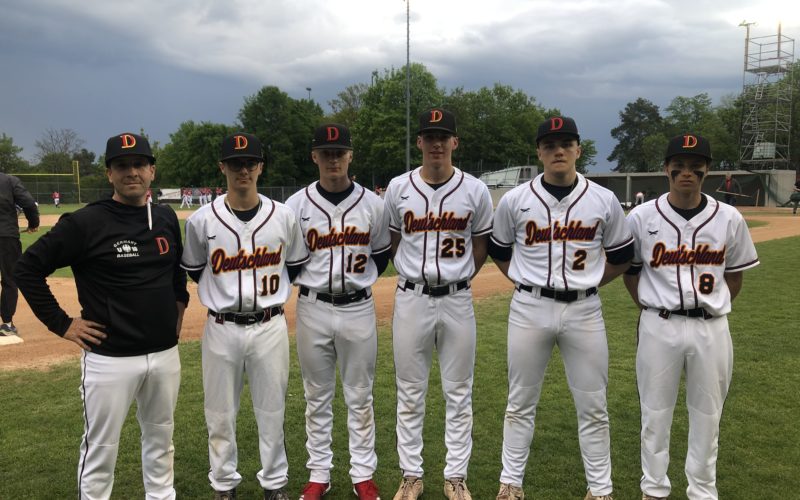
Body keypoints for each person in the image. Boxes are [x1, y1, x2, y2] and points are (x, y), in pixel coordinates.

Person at [14, 132, 188, 499]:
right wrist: (62, 324)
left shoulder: (165, 217)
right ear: (109, 173)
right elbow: (27, 268)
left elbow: (175, 272)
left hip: (164, 354)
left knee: (161, 440)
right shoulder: (85, 223)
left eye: (139, 164)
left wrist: (179, 305)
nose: (131, 172)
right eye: (121, 165)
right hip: (110, 358)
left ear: (152, 171)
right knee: (101, 449)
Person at [488, 116, 633, 500]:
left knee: (593, 404)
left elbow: (621, 257)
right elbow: (499, 251)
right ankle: (510, 484)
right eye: (550, 145)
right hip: (529, 307)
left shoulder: (602, 199)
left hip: (584, 310)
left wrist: (591, 282)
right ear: (539, 152)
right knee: (520, 401)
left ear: (578, 150)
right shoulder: (516, 200)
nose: (559, 151)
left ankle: (600, 489)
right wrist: (524, 281)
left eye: (566, 144)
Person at [623, 134, 759, 500]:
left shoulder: (728, 217)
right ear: (666, 169)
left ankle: (702, 491)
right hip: (659, 324)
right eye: (679, 165)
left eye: (695, 166)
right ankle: (654, 489)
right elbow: (631, 273)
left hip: (711, 328)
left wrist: (711, 305)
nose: (687, 172)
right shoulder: (641, 217)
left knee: (708, 415)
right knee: (654, 413)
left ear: (707, 170)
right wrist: (652, 308)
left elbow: (735, 276)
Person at [181, 133, 309, 500]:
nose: (243, 170)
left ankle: (275, 484)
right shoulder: (201, 220)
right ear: (222, 167)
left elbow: (294, 266)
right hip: (221, 326)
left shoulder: (283, 216)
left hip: (270, 324)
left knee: (272, 410)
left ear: (260, 167)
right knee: (219, 413)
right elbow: (196, 270)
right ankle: (224, 485)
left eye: (250, 162)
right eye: (236, 163)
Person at [383, 108, 493, 500]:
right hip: (411, 298)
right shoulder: (398, 187)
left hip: (457, 299)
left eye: (443, 137)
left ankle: (456, 476)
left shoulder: (475, 190)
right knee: (410, 391)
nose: (436, 143)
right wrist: (414, 272)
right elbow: (394, 241)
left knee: (459, 391)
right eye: (429, 136)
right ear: (419, 142)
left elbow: (480, 246)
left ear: (454, 142)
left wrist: (458, 277)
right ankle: (411, 475)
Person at [285, 123, 391, 500]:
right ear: (314, 157)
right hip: (312, 306)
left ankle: (363, 474)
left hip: (358, 306)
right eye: (326, 153)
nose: (333, 159)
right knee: (316, 395)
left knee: (360, 395)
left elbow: (382, 254)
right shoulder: (295, 206)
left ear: (350, 156)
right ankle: (319, 474)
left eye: (339, 152)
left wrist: (357, 281)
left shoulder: (374, 205)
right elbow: (290, 261)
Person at [0, 172, 39, 336]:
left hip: (6, 234)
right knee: (9, 279)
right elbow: (29, 203)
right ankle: (7, 325)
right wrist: (33, 223)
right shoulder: (9, 180)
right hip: (6, 236)